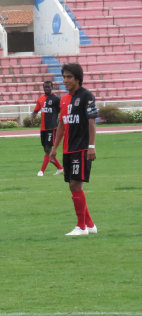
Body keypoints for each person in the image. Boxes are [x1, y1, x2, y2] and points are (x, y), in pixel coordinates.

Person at [50, 63, 98, 236]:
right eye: (64, 77)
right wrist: (54, 148)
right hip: (68, 149)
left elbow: (92, 123)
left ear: (78, 78)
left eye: (69, 77)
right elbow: (61, 125)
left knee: (75, 184)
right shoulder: (63, 100)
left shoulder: (87, 96)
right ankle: (90, 224)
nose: (65, 80)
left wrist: (91, 146)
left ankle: (81, 227)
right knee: (73, 187)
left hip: (82, 148)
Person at [31, 81, 64, 176]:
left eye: (48, 87)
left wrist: (61, 121)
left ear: (52, 87)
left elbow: (61, 110)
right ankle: (60, 168)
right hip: (43, 128)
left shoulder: (56, 99)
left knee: (48, 149)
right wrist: (32, 117)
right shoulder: (40, 99)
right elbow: (36, 110)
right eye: (45, 87)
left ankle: (41, 171)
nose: (47, 89)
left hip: (52, 127)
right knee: (46, 150)